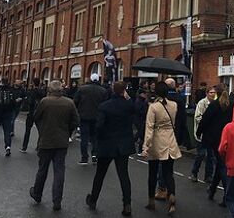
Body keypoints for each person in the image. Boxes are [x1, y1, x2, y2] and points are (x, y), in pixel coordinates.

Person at [29, 79, 79, 211]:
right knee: (59, 171)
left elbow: (36, 116)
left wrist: (42, 128)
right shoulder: (69, 102)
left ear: (50, 90)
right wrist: (67, 132)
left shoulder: (45, 101)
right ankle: (57, 200)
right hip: (61, 142)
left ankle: (37, 193)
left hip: (46, 140)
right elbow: (75, 121)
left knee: (42, 169)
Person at [86, 81, 134, 217]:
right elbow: (136, 109)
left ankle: (93, 199)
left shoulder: (104, 106)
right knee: (124, 176)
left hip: (107, 145)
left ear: (113, 90)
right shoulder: (128, 105)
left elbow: (99, 126)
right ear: (124, 91)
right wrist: (128, 97)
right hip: (123, 145)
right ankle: (127, 204)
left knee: (100, 174)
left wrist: (99, 139)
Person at [142, 81, 181, 215]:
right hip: (170, 140)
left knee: (152, 173)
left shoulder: (153, 107)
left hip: (157, 140)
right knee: (168, 172)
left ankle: (151, 201)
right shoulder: (174, 105)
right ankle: (172, 197)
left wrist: (145, 146)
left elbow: (149, 127)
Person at [198, 85, 232, 206]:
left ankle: (227, 195)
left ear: (216, 93)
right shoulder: (231, 105)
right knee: (220, 163)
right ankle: (212, 190)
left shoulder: (214, 105)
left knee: (222, 165)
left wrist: (199, 132)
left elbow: (205, 120)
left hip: (214, 139)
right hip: (227, 138)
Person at [74, 72, 107, 164]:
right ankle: (95, 155)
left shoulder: (82, 89)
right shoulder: (103, 91)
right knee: (95, 138)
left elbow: (75, 101)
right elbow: (105, 105)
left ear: (91, 79)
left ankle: (84, 158)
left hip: (84, 117)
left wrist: (78, 111)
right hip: (97, 117)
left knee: (84, 138)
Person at [191, 85, 217, 183]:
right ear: (207, 93)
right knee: (201, 154)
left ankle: (208, 176)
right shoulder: (202, 103)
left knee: (211, 155)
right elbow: (197, 117)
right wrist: (206, 122)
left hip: (211, 134)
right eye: (211, 92)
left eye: (214, 93)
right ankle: (194, 172)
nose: (213, 94)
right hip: (202, 133)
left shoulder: (215, 103)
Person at [0, 77, 17, 156]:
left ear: (1, 82)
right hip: (8, 114)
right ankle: (8, 146)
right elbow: (14, 103)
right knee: (7, 131)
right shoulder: (11, 91)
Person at [21, 78, 46, 153]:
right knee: (40, 131)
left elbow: (30, 102)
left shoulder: (31, 92)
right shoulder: (42, 92)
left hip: (31, 112)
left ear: (33, 83)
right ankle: (39, 146)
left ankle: (24, 147)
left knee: (27, 131)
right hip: (39, 113)